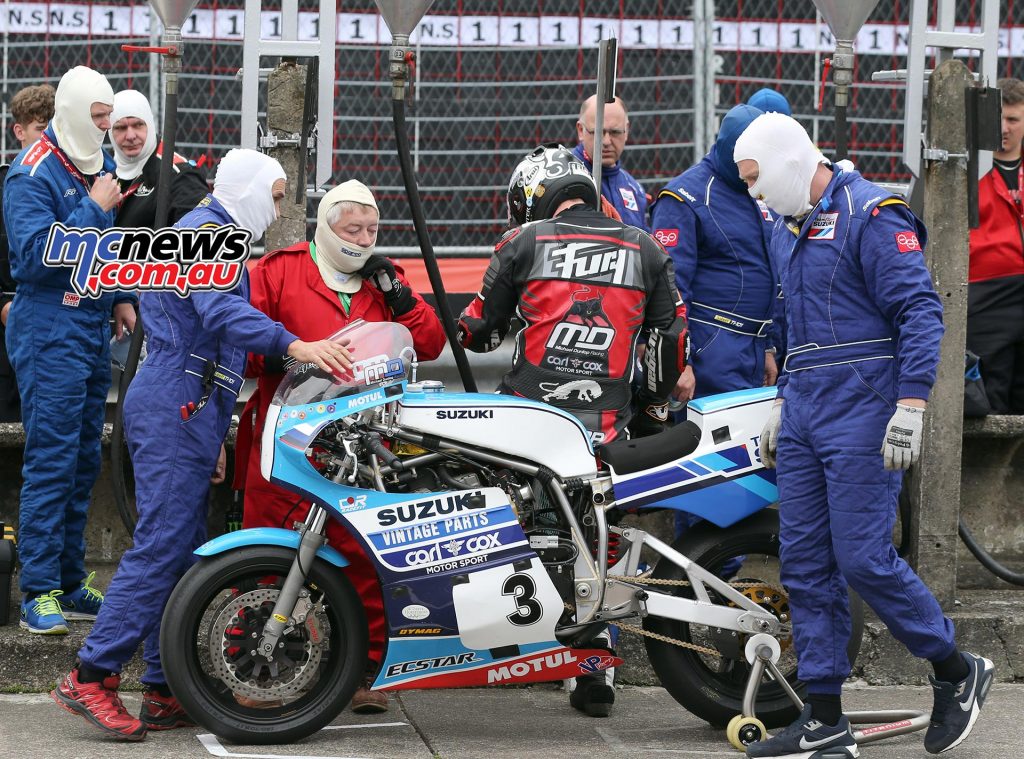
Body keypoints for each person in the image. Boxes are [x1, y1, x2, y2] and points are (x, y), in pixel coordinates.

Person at [52, 148, 353, 741]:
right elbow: (222, 319)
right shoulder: (207, 236)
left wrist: (213, 433)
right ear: (245, 188)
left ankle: (165, 688)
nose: (278, 207)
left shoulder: (213, 235)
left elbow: (214, 342)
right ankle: (91, 675)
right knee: (164, 547)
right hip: (175, 401)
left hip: (186, 406)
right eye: (274, 193)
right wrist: (296, 345)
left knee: (185, 551)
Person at [736, 113, 993, 758]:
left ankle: (956, 669)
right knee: (804, 567)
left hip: (865, 411)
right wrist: (782, 397)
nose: (754, 197)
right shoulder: (788, 225)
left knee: (862, 558)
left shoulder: (871, 215)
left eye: (758, 181)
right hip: (804, 412)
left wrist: (911, 405)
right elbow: (795, 322)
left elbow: (920, 311)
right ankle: (824, 718)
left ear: (792, 163)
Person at [458, 144, 688, 718]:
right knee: (599, 535)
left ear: (533, 198)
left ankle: (513, 640)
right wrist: (653, 407)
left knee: (522, 527)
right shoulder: (645, 246)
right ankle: (594, 668)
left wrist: (476, 320)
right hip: (608, 425)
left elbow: (480, 334)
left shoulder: (524, 242)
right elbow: (669, 342)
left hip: (531, 424)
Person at [237, 178, 446, 713]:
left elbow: (429, 343)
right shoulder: (279, 270)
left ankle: (367, 671)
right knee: (269, 554)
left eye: (371, 229)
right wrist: (296, 355)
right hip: (287, 436)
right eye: (352, 228)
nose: (362, 237)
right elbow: (244, 339)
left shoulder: (383, 279)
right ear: (326, 224)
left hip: (362, 444)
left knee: (363, 558)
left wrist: (400, 298)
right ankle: (267, 668)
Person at [4, 67, 132, 635]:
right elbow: (33, 256)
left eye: (109, 117)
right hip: (48, 327)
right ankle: (38, 591)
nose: (107, 128)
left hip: (91, 323)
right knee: (52, 462)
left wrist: (124, 294)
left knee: (83, 461)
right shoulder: (28, 171)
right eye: (100, 118)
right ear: (77, 114)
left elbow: (104, 246)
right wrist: (96, 207)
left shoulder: (93, 162)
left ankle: (71, 578)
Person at [652, 103, 778, 540]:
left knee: (748, 468)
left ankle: (729, 570)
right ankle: (709, 574)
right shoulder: (684, 196)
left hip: (751, 349)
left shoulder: (760, 190)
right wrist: (679, 362)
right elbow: (668, 287)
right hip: (708, 349)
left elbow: (770, 273)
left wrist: (768, 345)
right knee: (712, 471)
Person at [966, 77, 1024, 414]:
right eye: (998, 118)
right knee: (992, 391)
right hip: (987, 294)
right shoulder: (969, 166)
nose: (1004, 128)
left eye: (1013, 120)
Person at [1, 83, 55, 423]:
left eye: (53, 129)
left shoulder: (73, 186)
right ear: (19, 131)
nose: (47, 138)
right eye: (40, 129)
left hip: (53, 333)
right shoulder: (8, 183)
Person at [108, 89, 208, 228]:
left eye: (138, 125)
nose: (130, 136)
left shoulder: (179, 175)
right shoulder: (105, 171)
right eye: (121, 128)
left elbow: (198, 240)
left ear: (149, 123)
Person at [573, 95, 650, 231]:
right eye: (598, 132)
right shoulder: (565, 178)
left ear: (626, 130)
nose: (606, 141)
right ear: (580, 130)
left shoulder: (633, 187)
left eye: (615, 132)